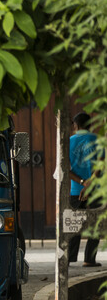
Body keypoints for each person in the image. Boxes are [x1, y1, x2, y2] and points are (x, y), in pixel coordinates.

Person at [68, 112, 101, 267]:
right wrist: (89, 184)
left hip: (75, 189)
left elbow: (64, 168)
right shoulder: (97, 140)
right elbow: (101, 165)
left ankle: (68, 258)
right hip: (96, 188)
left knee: (74, 224)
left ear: (76, 125)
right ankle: (89, 259)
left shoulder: (68, 142)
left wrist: (81, 182)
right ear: (90, 125)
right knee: (95, 224)